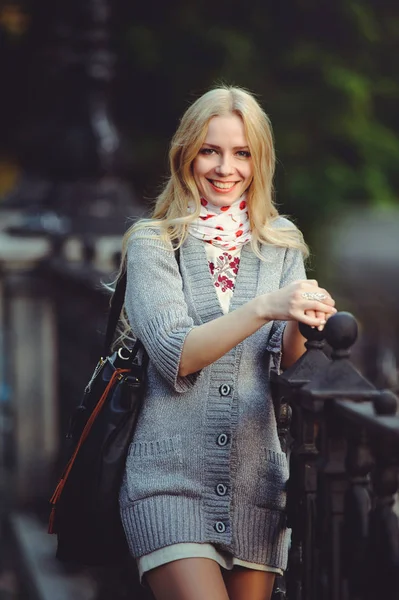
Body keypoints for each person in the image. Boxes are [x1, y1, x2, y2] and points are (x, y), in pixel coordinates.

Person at [117, 86, 336, 600]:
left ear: (259, 162)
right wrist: (266, 306)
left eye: (241, 153)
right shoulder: (154, 241)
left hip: (257, 486)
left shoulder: (279, 241)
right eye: (210, 150)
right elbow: (177, 355)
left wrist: (304, 322)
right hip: (168, 483)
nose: (225, 168)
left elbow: (286, 369)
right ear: (186, 154)